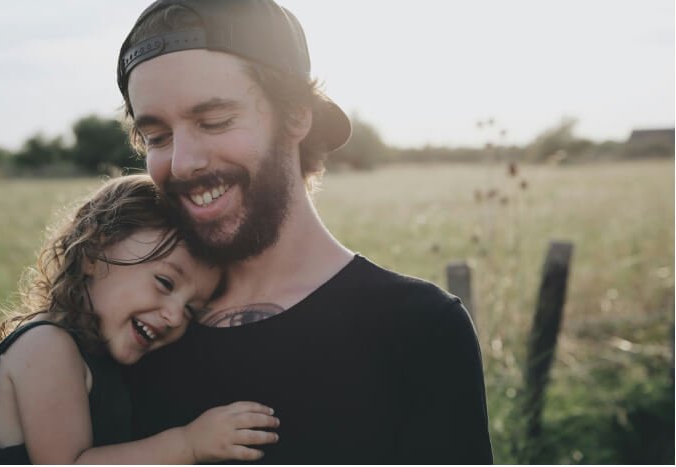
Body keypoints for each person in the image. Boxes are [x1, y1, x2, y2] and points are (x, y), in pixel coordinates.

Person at [118, 0, 493, 463]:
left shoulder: (418, 329)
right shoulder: (136, 326)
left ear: (296, 116)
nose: (182, 162)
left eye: (214, 122)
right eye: (157, 137)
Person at [0, 175, 280, 464]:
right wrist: (189, 444)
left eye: (189, 310)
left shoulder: (99, 358)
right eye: (165, 283)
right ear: (94, 251)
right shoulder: (46, 347)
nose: (173, 316)